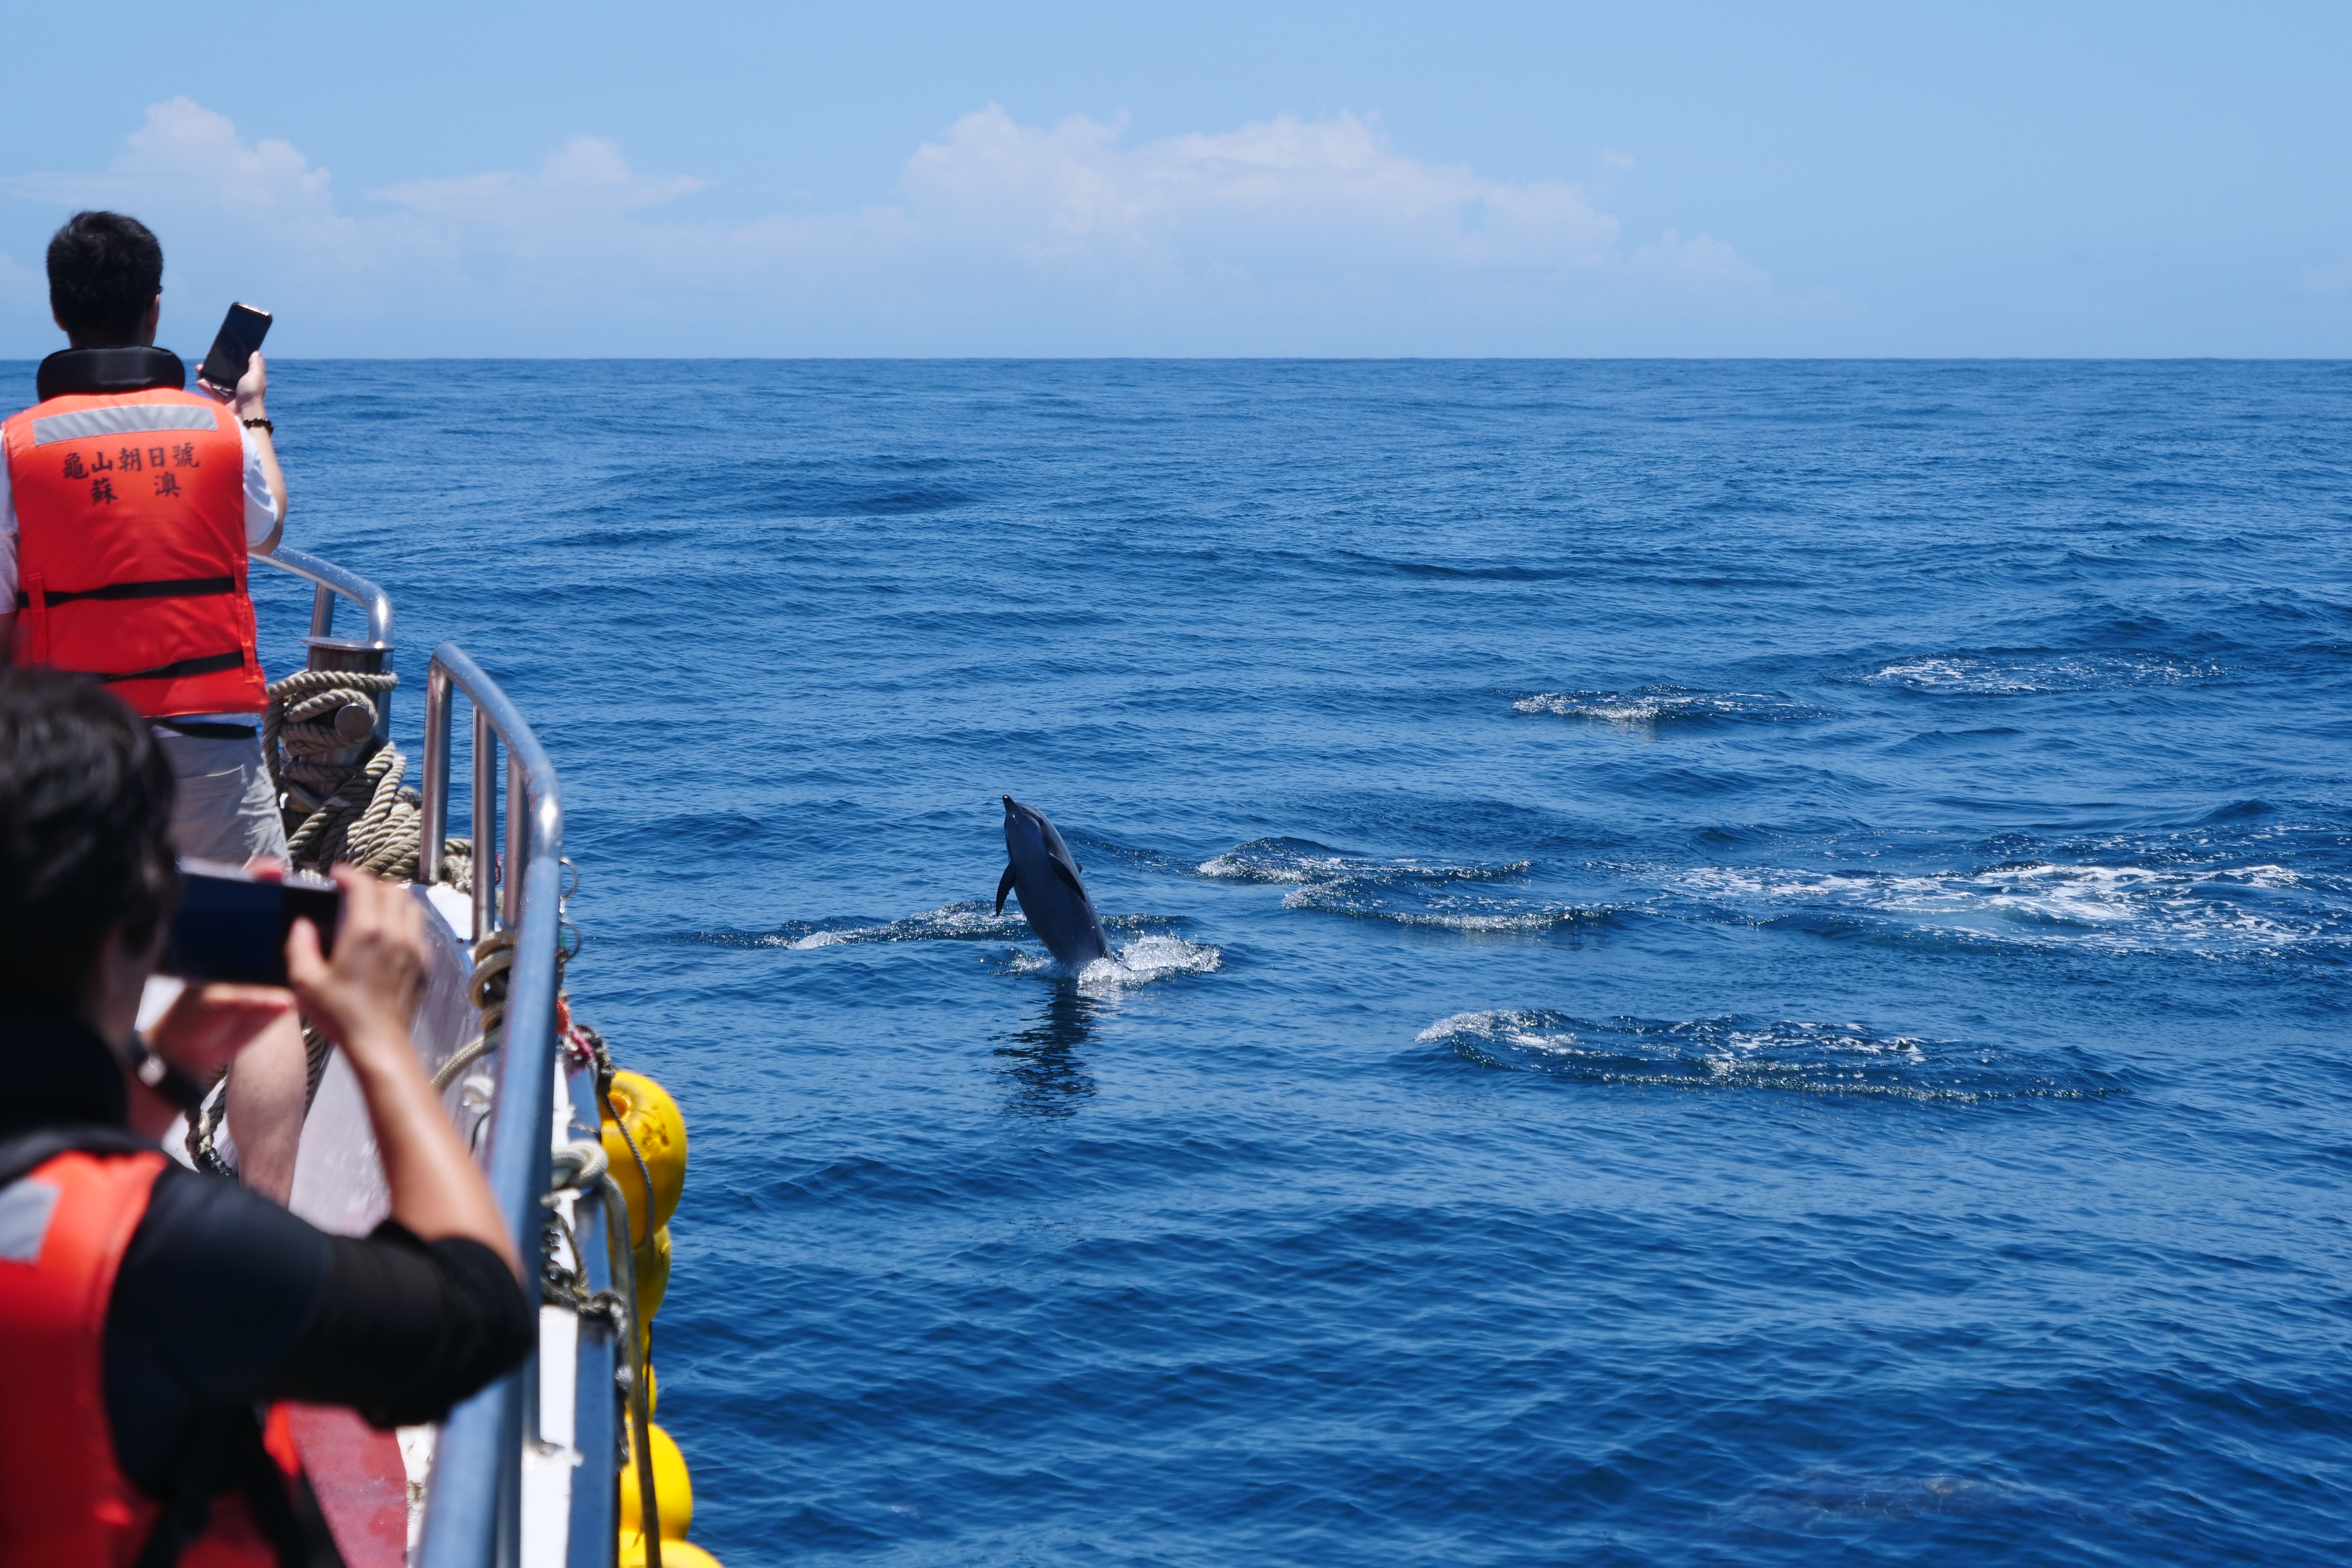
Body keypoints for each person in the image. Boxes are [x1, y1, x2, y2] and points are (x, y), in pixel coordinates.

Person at [0, 667, 533, 1566]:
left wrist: (162, 1077)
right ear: (136, 928)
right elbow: (475, 1319)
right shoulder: (159, 1254)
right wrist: (379, 1036)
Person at [0, 210, 309, 1201]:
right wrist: (251, 412)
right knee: (258, 976)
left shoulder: (13, 451)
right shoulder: (216, 430)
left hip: (79, 760)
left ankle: (99, 1200)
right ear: (157, 306)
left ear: (55, 310)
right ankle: (268, 1222)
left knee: (84, 972)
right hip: (214, 742)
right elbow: (265, 527)